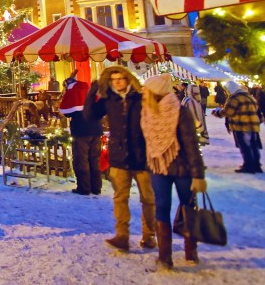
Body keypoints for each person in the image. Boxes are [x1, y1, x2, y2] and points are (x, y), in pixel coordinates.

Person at [84, 65, 156, 252]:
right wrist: (92, 93)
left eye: (120, 78)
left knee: (148, 198)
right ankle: (122, 235)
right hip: (119, 156)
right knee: (120, 197)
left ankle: (149, 235)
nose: (117, 82)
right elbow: (90, 116)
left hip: (142, 156)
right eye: (114, 79)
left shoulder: (141, 98)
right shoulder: (110, 100)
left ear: (128, 79)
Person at [140, 74, 207, 269]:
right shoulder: (146, 112)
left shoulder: (180, 111)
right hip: (158, 166)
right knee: (161, 207)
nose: (144, 92)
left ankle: (190, 249)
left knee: (187, 206)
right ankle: (165, 255)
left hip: (182, 168)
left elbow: (191, 144)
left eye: (147, 90)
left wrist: (198, 175)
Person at [61, 74, 102, 195]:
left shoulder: (72, 92)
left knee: (81, 159)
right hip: (96, 129)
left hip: (81, 130)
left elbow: (65, 111)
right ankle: (96, 187)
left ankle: (84, 188)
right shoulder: (90, 90)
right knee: (94, 159)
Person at [215, 80, 262, 173]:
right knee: (253, 145)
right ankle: (256, 165)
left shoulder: (234, 98)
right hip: (253, 125)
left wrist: (217, 112)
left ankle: (249, 166)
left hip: (241, 125)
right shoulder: (249, 96)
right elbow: (256, 109)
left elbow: (228, 112)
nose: (226, 92)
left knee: (245, 146)